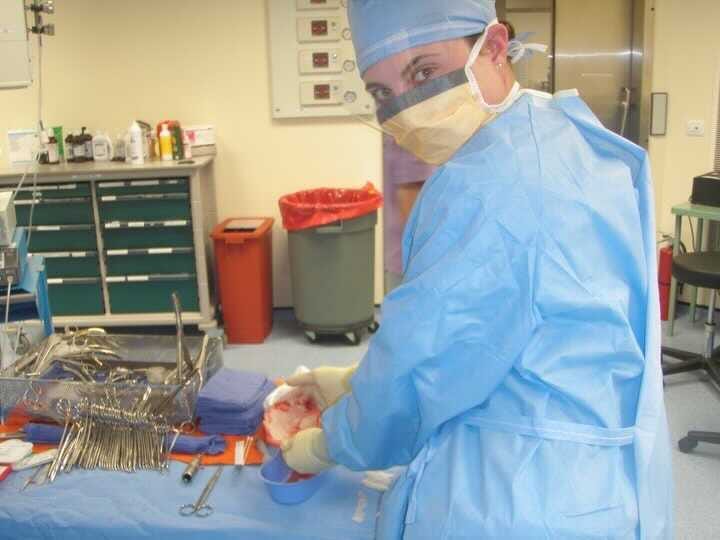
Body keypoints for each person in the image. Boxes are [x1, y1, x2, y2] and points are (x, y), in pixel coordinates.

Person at [282, 1, 673, 538]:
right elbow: (497, 326)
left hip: (521, 495)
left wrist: (329, 442)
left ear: (490, 47)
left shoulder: (493, 183)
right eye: (381, 92)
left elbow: (417, 371)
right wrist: (352, 381)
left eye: (423, 71)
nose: (405, 105)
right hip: (588, 478)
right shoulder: (548, 128)